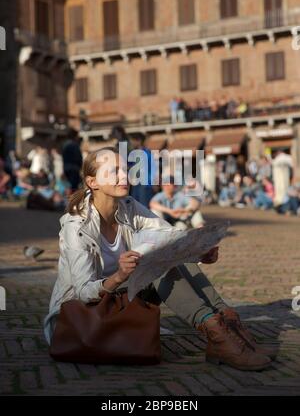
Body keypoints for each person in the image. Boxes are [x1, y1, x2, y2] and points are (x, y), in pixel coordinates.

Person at [44, 147, 272, 370]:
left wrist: (199, 251)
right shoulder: (76, 226)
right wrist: (119, 276)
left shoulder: (129, 207)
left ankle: (227, 326)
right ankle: (216, 332)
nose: (125, 176)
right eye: (115, 171)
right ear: (93, 182)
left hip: (119, 298)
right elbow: (83, 291)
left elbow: (169, 236)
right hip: (80, 318)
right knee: (152, 262)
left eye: (125, 170)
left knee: (166, 254)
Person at [129, 132, 154, 208]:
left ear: (139, 141)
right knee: (135, 207)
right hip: (137, 185)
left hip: (144, 185)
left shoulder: (146, 153)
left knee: (143, 208)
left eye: (133, 141)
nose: (131, 143)